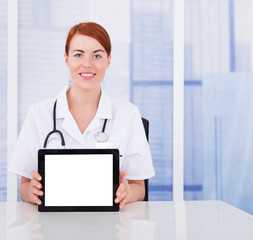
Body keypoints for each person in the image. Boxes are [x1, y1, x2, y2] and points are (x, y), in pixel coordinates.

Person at [9, 22, 155, 209]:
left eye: (97, 55)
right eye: (78, 55)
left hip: (111, 228)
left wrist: (128, 191)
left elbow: (139, 187)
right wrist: (31, 192)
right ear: (66, 59)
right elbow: (24, 187)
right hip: (53, 228)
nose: (87, 64)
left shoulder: (128, 115)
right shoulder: (39, 114)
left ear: (108, 60)